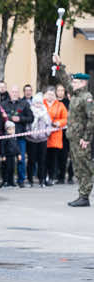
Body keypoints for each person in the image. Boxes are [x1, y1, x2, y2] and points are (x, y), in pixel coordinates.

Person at [54, 57, 94, 206]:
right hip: (74, 137)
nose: (73, 83)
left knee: (85, 166)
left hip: (81, 139)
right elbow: (65, 81)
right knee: (78, 167)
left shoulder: (86, 98)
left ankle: (85, 195)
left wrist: (86, 138)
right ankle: (82, 195)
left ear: (83, 83)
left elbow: (91, 119)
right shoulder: (76, 95)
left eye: (76, 82)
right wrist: (59, 65)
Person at [1, 86, 33, 187]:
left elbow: (31, 118)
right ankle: (6, 180)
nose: (14, 94)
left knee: (21, 158)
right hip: (7, 137)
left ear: (19, 93)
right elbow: (1, 116)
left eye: (16, 92)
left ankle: (21, 180)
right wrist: (10, 118)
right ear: (9, 93)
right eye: (12, 92)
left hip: (20, 135)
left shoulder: (24, 104)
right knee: (6, 160)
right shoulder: (4, 104)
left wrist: (20, 119)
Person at [26, 94, 51, 187]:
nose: (38, 104)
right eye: (36, 103)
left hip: (42, 140)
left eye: (40, 103)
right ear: (33, 103)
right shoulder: (30, 111)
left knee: (42, 160)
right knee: (31, 160)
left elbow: (49, 124)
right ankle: (30, 180)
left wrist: (46, 134)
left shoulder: (45, 112)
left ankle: (42, 179)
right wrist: (30, 134)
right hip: (31, 139)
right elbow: (27, 125)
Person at [44, 87, 67, 186]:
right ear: (45, 94)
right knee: (43, 158)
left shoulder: (60, 105)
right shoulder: (41, 103)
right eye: (49, 94)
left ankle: (52, 177)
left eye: (52, 94)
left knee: (53, 158)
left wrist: (59, 123)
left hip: (55, 136)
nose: (50, 96)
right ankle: (43, 176)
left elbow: (65, 119)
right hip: (43, 136)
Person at [55, 83, 71, 183]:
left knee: (66, 155)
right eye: (59, 90)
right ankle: (58, 176)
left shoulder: (68, 102)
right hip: (56, 132)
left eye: (62, 90)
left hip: (66, 132)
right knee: (57, 155)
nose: (60, 92)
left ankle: (68, 176)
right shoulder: (54, 102)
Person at [0, 121, 21, 187]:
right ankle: (5, 181)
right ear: (6, 129)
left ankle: (11, 181)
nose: (12, 131)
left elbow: (16, 146)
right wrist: (3, 155)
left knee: (12, 169)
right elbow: (2, 146)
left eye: (13, 129)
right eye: (10, 129)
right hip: (7, 155)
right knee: (6, 169)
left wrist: (18, 154)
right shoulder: (5, 137)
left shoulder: (14, 137)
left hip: (13, 155)